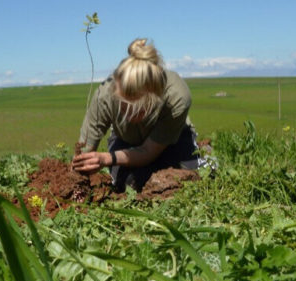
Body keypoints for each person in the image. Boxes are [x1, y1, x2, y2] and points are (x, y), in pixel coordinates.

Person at [71, 38, 206, 192]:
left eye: (138, 111)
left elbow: (148, 151)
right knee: (129, 185)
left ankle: (204, 154)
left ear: (155, 100)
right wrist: (77, 179)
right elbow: (84, 151)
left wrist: (107, 158)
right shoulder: (105, 95)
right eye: (123, 108)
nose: (129, 117)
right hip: (126, 139)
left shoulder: (176, 97)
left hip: (170, 140)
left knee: (186, 182)